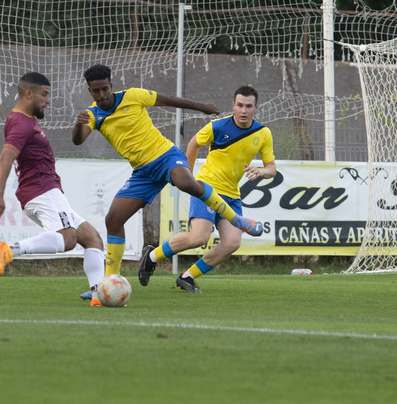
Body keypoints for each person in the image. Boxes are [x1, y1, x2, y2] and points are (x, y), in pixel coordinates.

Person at [71, 64, 263, 277]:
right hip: (143, 173)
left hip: (166, 156)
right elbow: (79, 140)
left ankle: (236, 219)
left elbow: (170, 100)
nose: (101, 95)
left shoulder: (133, 95)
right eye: (96, 91)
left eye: (104, 89)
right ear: (90, 91)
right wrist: (79, 126)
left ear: (111, 86)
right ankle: (110, 281)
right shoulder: (93, 114)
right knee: (113, 220)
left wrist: (202, 107)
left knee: (186, 183)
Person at [137, 85, 276, 293]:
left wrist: (261, 171)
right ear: (233, 106)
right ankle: (151, 256)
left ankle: (187, 276)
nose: (244, 111)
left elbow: (272, 169)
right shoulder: (218, 126)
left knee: (231, 243)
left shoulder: (263, 133)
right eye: (240, 105)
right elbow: (193, 143)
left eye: (248, 106)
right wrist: (188, 177)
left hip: (232, 195)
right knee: (198, 238)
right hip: (208, 188)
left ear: (256, 107)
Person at [0, 72, 106, 304]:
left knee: (92, 238)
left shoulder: (25, 120)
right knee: (67, 238)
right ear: (28, 93)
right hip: (41, 190)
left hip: (45, 190)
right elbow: (6, 157)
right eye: (44, 94)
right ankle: (10, 250)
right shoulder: (22, 124)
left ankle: (98, 294)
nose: (48, 100)